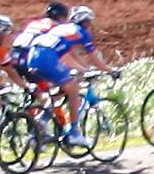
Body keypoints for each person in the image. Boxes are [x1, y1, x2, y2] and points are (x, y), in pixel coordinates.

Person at [16, 11, 105, 142]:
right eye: (90, 23)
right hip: (46, 57)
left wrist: (83, 69)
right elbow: (93, 57)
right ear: (85, 22)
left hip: (32, 57)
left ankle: (42, 125)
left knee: (62, 87)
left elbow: (67, 56)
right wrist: (110, 70)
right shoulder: (81, 32)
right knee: (73, 89)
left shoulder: (62, 30)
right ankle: (74, 134)